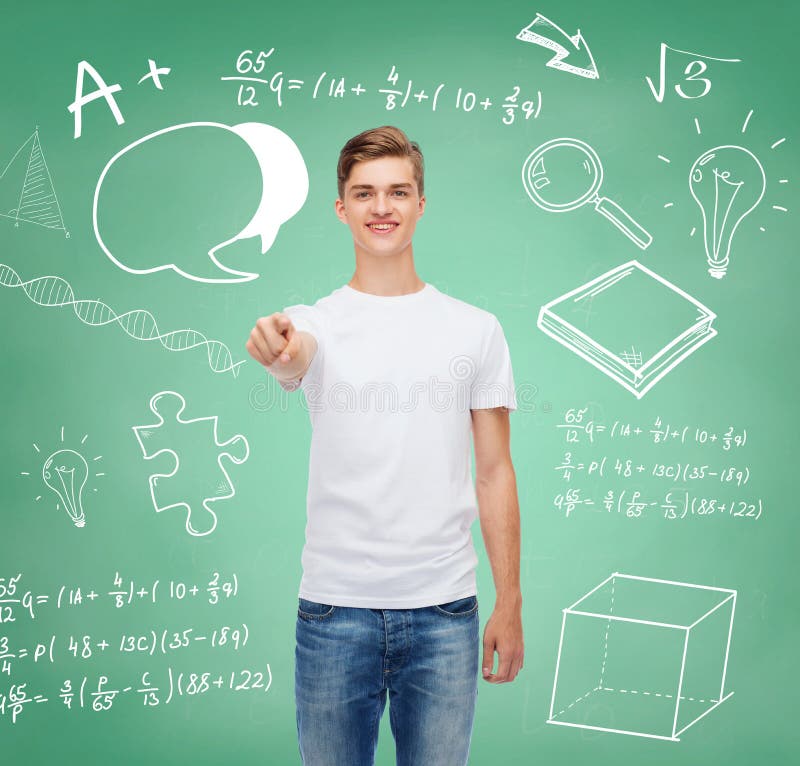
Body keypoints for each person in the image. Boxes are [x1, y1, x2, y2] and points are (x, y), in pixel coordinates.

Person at [246, 125, 523, 765]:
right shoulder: (315, 321)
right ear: (341, 207)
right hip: (333, 614)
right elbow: (292, 358)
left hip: (445, 614)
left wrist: (509, 600)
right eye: (364, 193)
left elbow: (495, 471)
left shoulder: (476, 330)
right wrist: (277, 349)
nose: (382, 207)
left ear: (421, 204)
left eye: (398, 191)